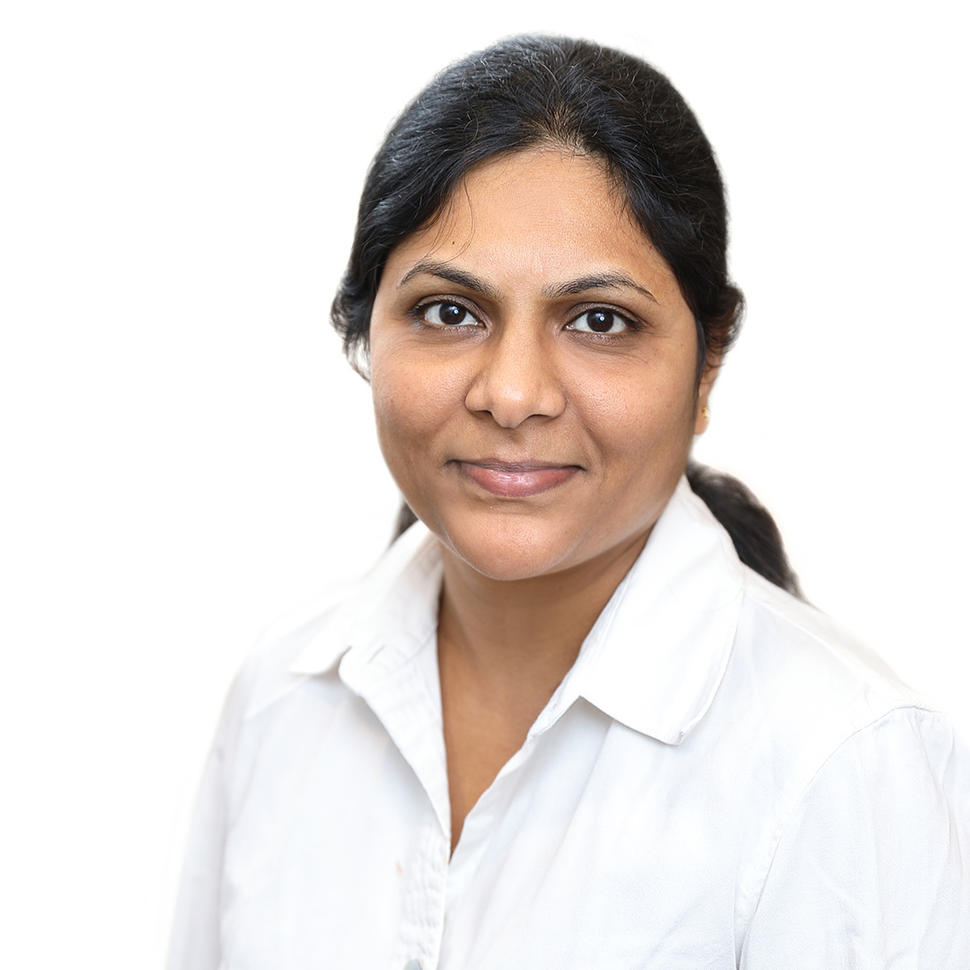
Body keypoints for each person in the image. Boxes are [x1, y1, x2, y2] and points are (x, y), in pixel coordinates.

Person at [167, 35, 969, 969]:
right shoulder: (282, 699)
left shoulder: (843, 762)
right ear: (363, 335)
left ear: (707, 367)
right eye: (449, 311)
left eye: (600, 321)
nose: (513, 394)